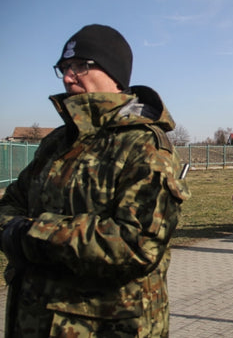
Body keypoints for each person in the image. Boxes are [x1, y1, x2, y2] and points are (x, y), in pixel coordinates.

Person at [0, 24, 191, 337]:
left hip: (106, 325)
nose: (67, 76)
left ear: (114, 75)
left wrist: (29, 234)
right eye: (63, 67)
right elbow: (10, 203)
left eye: (80, 66)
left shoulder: (143, 144)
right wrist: (12, 229)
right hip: (32, 319)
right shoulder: (58, 142)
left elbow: (137, 243)